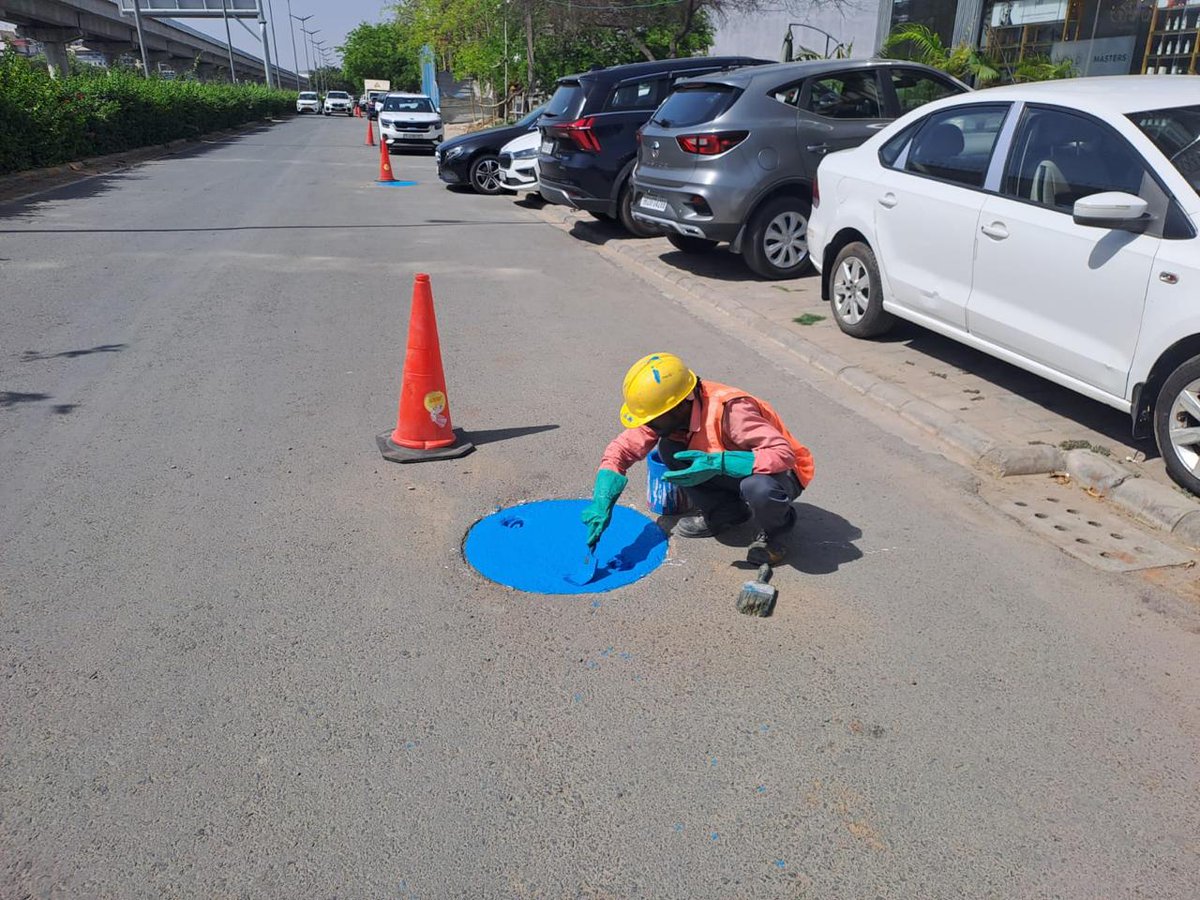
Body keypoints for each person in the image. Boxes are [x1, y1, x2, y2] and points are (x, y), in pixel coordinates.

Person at [582, 353, 814, 565]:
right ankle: (726, 513)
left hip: (782, 474)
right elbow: (621, 450)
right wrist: (603, 501)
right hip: (729, 464)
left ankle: (775, 534)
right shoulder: (669, 413)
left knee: (758, 488)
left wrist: (719, 463)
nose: (648, 425)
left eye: (654, 419)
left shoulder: (732, 411)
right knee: (670, 448)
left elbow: (783, 455)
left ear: (679, 406)